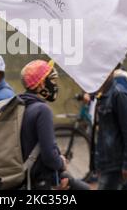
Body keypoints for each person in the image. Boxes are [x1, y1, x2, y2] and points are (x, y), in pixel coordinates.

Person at [19, 59, 90, 190]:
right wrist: (61, 163)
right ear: (40, 85)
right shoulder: (42, 110)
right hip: (41, 181)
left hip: (27, 178)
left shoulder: (22, 106)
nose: (55, 85)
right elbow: (49, 155)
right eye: (52, 80)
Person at [93, 67, 127, 190]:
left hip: (116, 166)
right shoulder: (102, 96)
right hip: (107, 163)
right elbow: (103, 134)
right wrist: (99, 164)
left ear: (110, 72)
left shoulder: (119, 94)